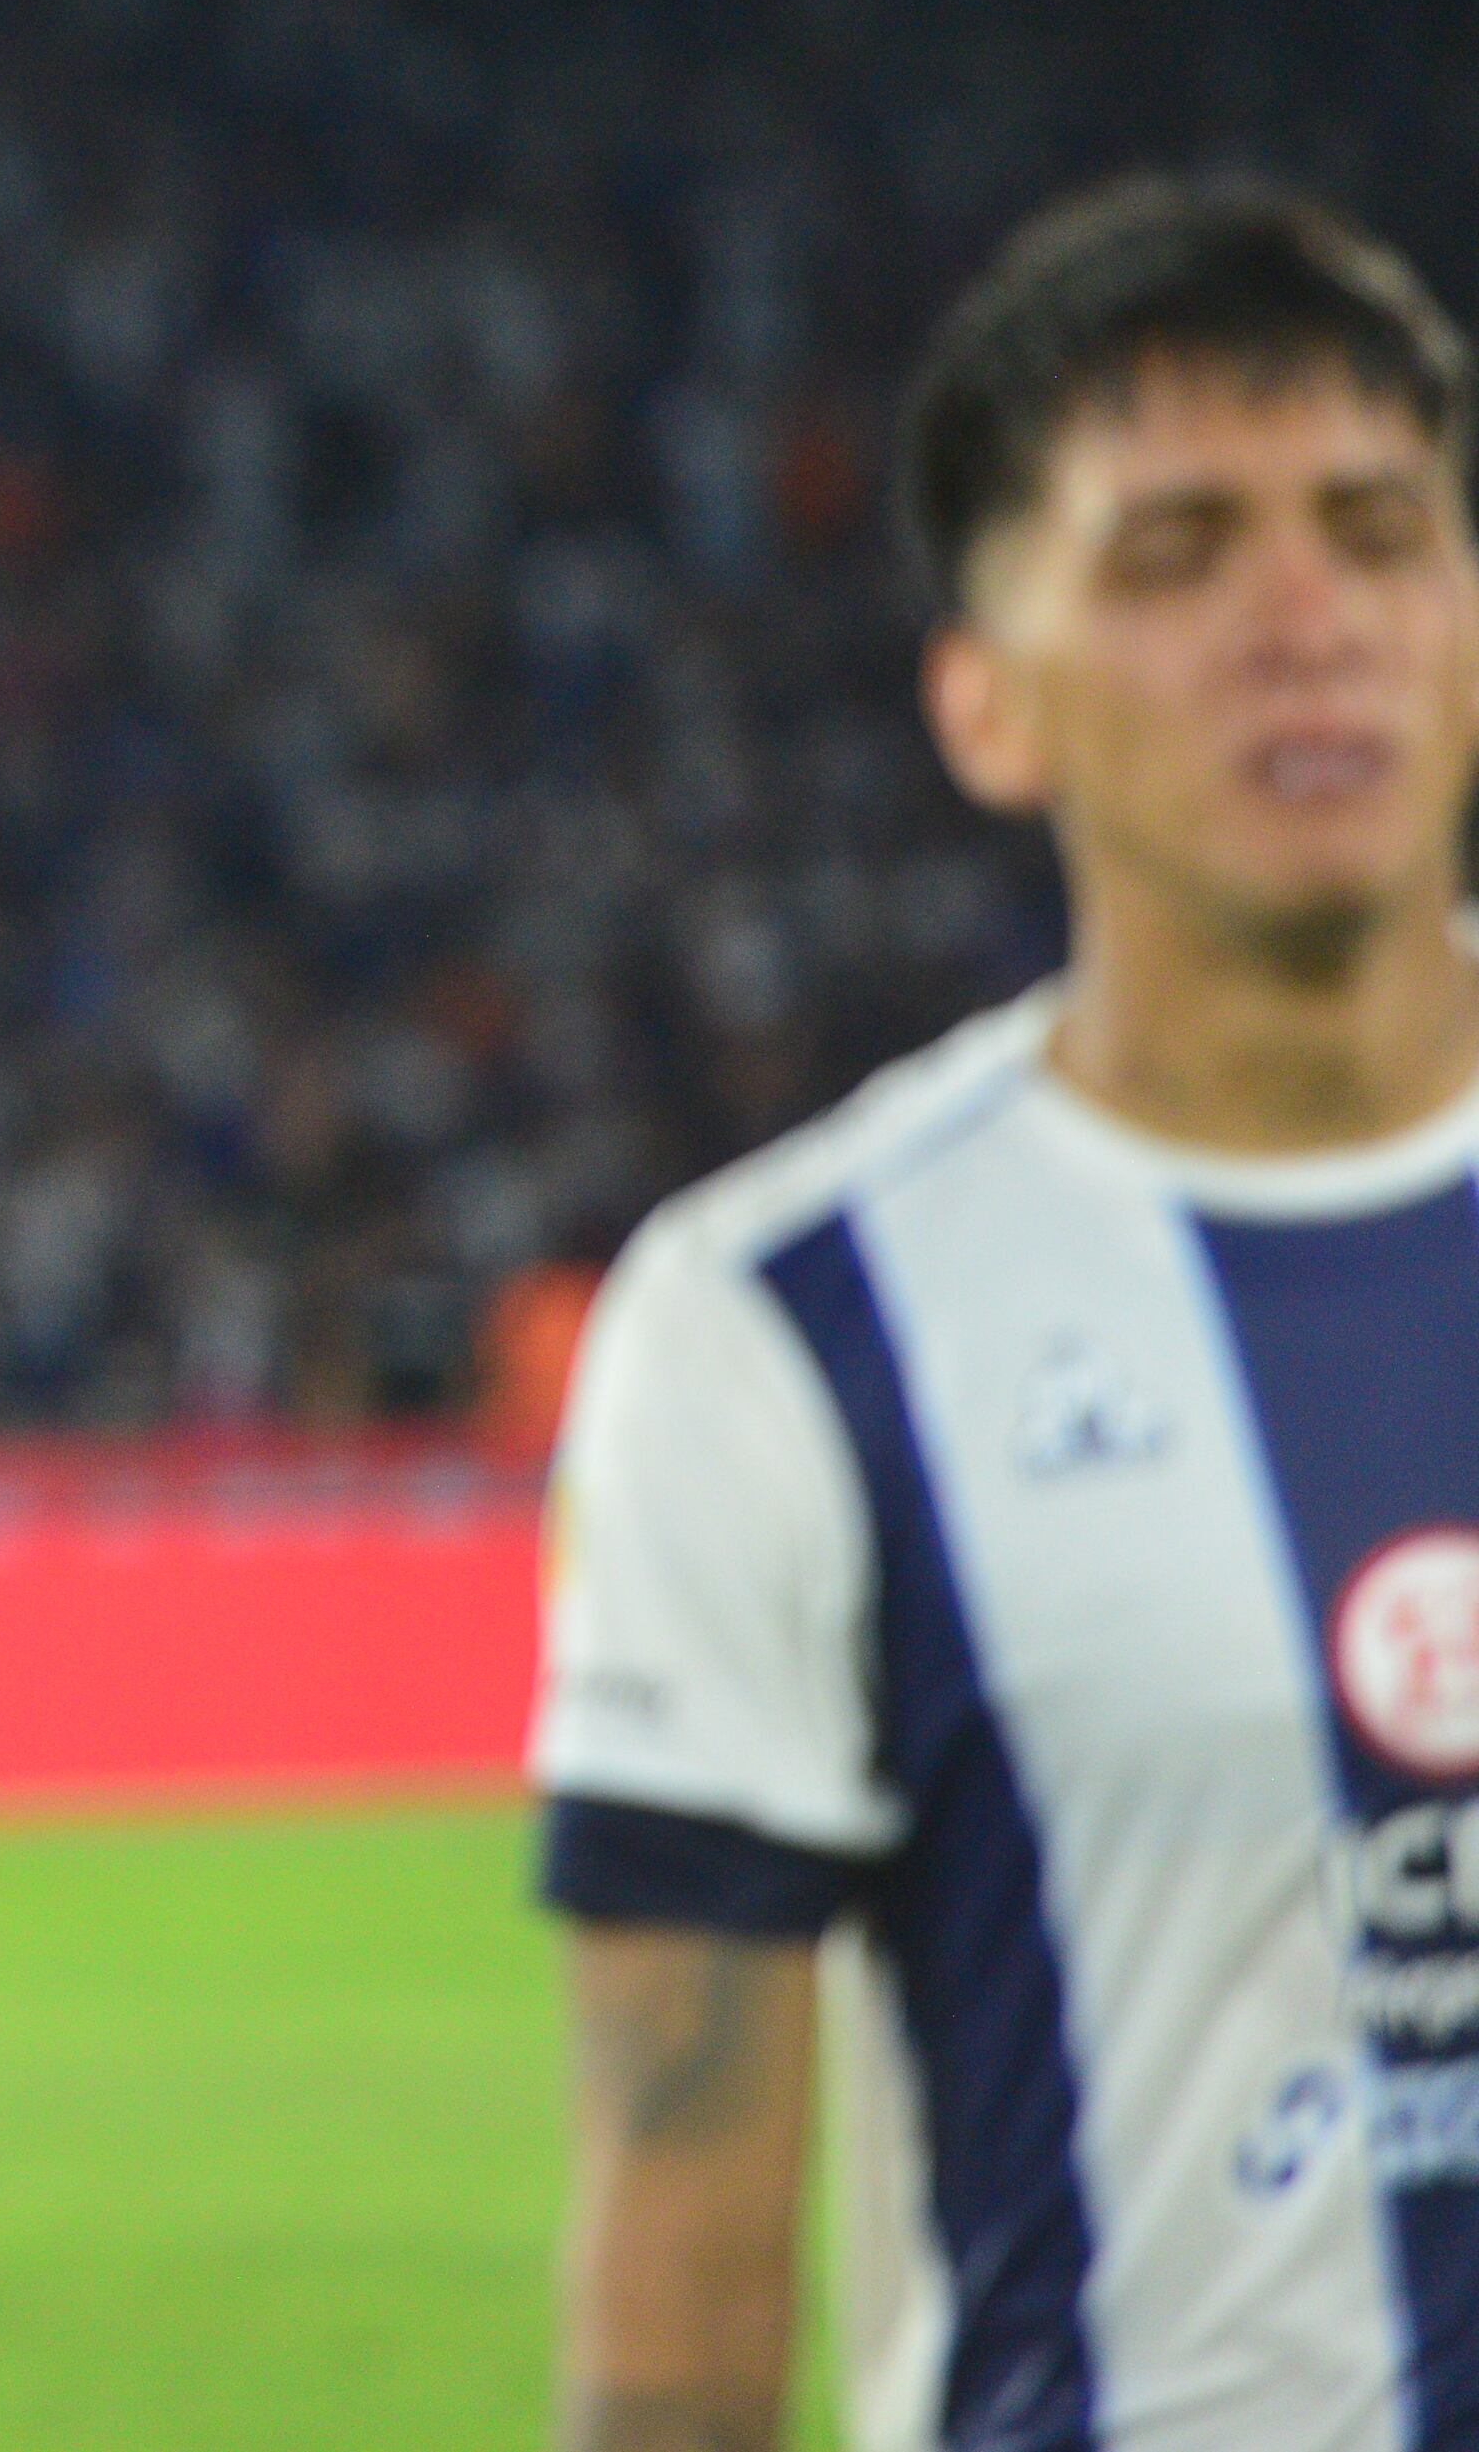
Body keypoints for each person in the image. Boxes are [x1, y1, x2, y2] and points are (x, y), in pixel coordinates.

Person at [535, 175, 1479, 2452]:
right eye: (1173, 557)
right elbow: (676, 2304)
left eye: (1374, 530)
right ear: (982, 703)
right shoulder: (778, 1336)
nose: (1304, 620)